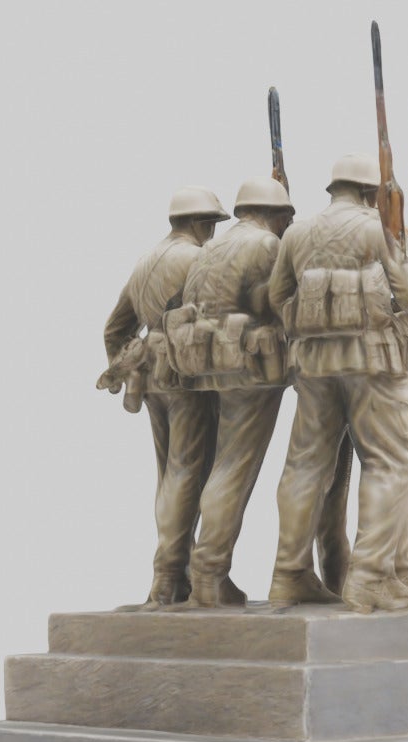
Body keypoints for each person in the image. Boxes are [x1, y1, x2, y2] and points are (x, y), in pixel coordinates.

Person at [266, 154, 408, 613]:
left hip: (314, 364)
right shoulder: (380, 228)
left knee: (304, 466)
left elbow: (278, 296)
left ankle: (290, 574)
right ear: (371, 191)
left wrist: (313, 323)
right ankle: (371, 575)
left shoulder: (296, 233)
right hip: (374, 360)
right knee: (388, 463)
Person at [97, 187, 230, 608]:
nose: (212, 232)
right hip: (188, 377)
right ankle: (168, 576)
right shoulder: (199, 259)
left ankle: (177, 573)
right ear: (199, 222)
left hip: (152, 380)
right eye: (211, 224)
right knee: (187, 472)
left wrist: (126, 366)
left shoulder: (144, 262)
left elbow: (114, 329)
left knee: (170, 474)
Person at [174, 177, 297, 607]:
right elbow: (275, 302)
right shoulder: (266, 245)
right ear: (276, 213)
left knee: (222, 465)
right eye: (285, 216)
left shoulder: (213, 246)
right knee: (234, 468)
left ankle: (204, 569)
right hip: (250, 369)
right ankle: (209, 572)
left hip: (209, 363)